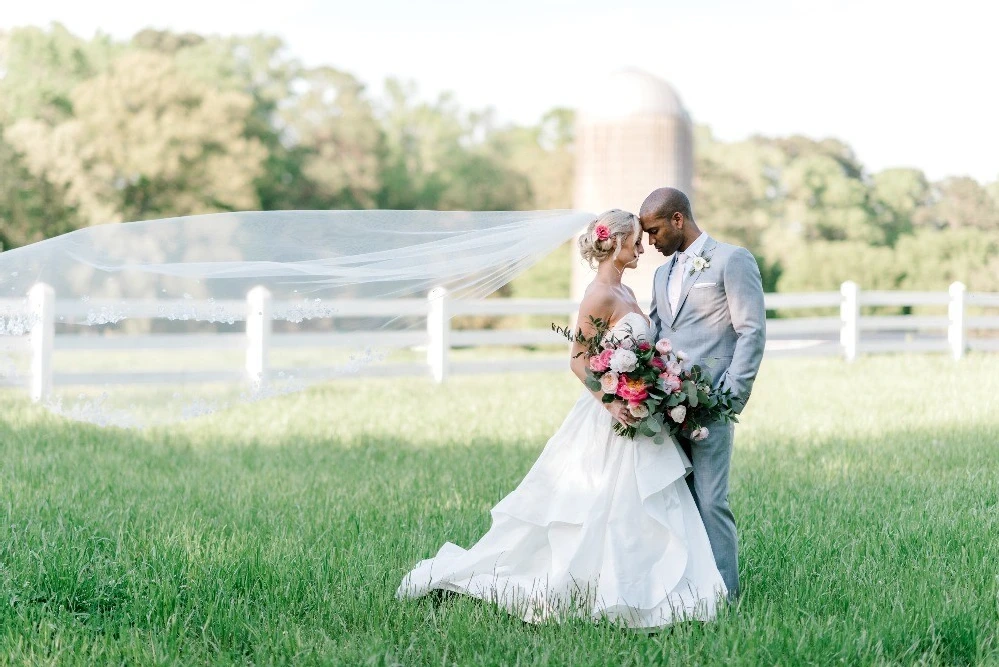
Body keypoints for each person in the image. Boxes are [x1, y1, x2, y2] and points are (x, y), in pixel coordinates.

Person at [396, 209, 728, 630]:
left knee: (638, 506)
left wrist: (654, 380)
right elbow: (577, 359)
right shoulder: (599, 294)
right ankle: (593, 587)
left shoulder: (624, 291)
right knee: (601, 505)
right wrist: (613, 402)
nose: (642, 247)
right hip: (610, 413)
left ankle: (653, 585)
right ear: (618, 242)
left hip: (638, 410)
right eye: (636, 241)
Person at [640, 187, 766, 600]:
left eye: (655, 231)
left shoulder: (732, 260)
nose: (650, 242)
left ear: (678, 219)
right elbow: (658, 335)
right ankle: (683, 590)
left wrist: (731, 397)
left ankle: (725, 596)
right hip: (666, 407)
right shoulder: (660, 275)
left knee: (711, 502)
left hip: (712, 404)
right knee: (675, 502)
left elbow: (751, 331)